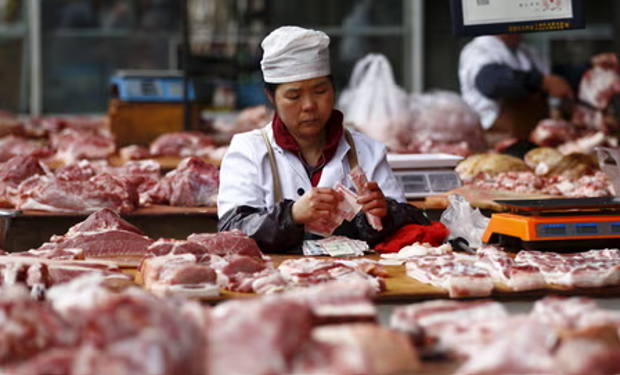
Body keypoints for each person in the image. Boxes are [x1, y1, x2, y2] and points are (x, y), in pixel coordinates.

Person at [217, 25, 430, 254]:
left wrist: (386, 212)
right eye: (294, 96)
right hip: (276, 283)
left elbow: (414, 225)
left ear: (333, 89)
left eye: (319, 91)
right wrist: (292, 215)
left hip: (357, 279)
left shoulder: (366, 150)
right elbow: (232, 231)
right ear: (271, 97)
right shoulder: (248, 150)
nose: (309, 106)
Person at [459, 34, 618, 148]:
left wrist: (590, 65)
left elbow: (558, 75)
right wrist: (541, 82)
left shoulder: (526, 51)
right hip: (498, 145)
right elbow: (491, 83)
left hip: (537, 140)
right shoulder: (478, 50)